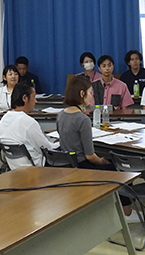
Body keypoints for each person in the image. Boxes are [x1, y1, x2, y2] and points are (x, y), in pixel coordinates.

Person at [55, 76, 132, 214]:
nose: (91, 96)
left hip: (68, 164)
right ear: (82, 94)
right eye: (90, 93)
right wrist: (102, 161)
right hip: (83, 166)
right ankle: (126, 209)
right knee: (119, 169)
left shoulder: (61, 115)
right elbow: (90, 156)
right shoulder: (82, 119)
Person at [0, 82, 55, 168]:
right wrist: (59, 143)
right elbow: (47, 148)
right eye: (34, 97)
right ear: (25, 98)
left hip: (15, 170)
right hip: (36, 169)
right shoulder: (29, 122)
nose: (36, 101)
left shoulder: (3, 120)